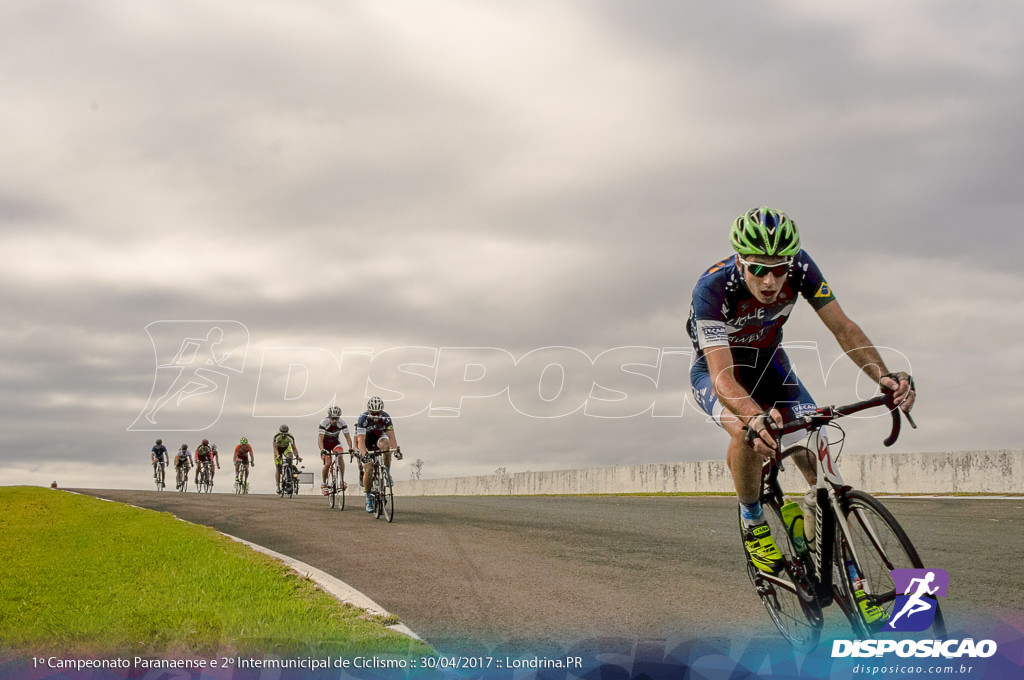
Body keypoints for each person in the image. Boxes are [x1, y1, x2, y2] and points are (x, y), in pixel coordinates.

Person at [686, 206, 915, 574]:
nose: (770, 281)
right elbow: (722, 377)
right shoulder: (712, 288)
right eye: (758, 268)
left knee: (816, 447)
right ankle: (754, 522)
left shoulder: (802, 268)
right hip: (721, 372)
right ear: (740, 261)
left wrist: (883, 376)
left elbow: (842, 327)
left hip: (771, 364)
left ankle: (837, 546)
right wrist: (755, 417)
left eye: (779, 269)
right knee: (748, 434)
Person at [355, 396, 403, 512]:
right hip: (366, 441)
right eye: (373, 413)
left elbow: (391, 436)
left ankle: (387, 471)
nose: (376, 416)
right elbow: (360, 440)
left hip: (379, 438)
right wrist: (364, 454)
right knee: (369, 469)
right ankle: (368, 498)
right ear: (368, 411)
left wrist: (395, 450)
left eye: (378, 413)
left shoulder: (386, 417)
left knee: (386, 446)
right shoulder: (363, 419)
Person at [318, 406, 354, 495]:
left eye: (336, 418)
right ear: (329, 417)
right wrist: (322, 450)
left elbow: (348, 437)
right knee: (328, 463)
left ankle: (341, 481)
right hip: (325, 444)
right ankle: (324, 484)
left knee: (340, 456)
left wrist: (350, 448)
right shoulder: (324, 422)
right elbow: (320, 438)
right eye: (333, 418)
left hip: (335, 443)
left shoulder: (342, 423)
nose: (335, 421)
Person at [272, 424, 301, 493]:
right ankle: (278, 487)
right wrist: (277, 455)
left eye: (285, 433)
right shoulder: (276, 436)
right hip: (278, 450)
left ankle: (289, 472)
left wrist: (297, 456)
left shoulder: (290, 437)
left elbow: (294, 448)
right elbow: (275, 448)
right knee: (278, 467)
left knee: (290, 456)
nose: (284, 435)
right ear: (280, 432)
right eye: (282, 433)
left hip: (286, 448)